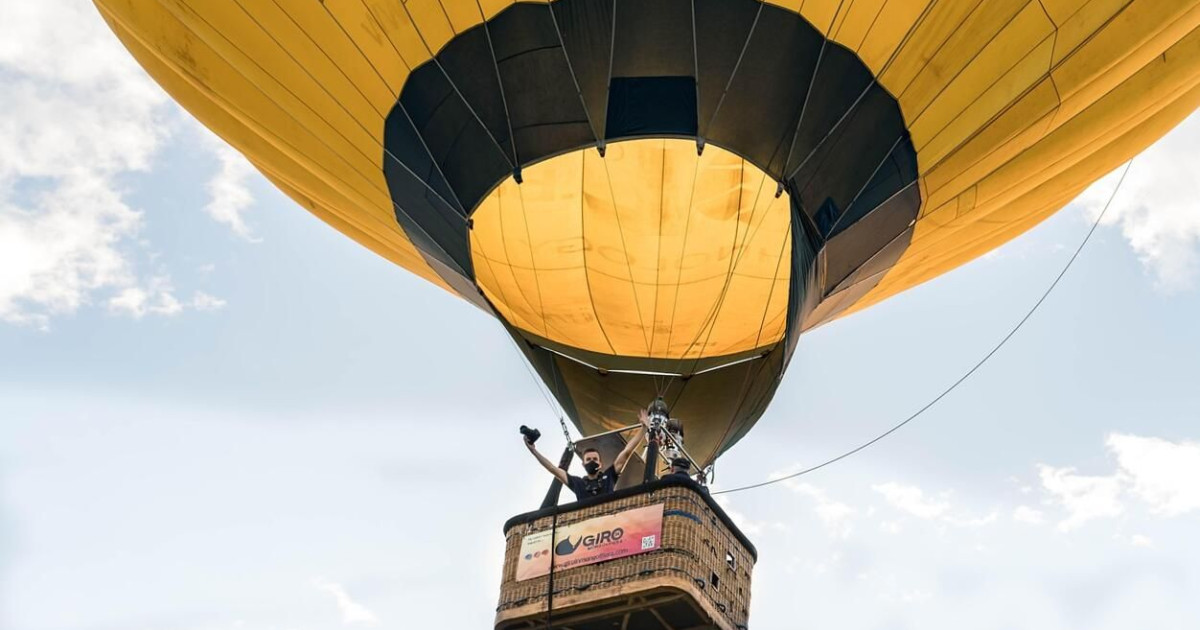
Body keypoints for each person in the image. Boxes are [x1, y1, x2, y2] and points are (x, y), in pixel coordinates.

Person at [525, 409, 649, 501]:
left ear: (600, 464)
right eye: (588, 459)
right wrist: (534, 452)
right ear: (583, 463)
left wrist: (643, 429)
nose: (591, 461)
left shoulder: (609, 475)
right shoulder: (577, 483)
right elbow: (552, 469)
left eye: (595, 459)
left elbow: (626, 452)